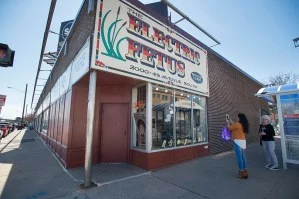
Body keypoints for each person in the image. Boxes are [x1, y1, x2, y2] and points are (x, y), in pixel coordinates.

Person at [227, 113, 249, 179]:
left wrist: (227, 122)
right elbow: (235, 126)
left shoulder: (237, 124)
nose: (237, 118)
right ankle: (245, 171)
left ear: (240, 118)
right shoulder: (243, 124)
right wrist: (231, 121)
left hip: (237, 142)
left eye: (238, 117)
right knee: (243, 157)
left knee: (239, 158)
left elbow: (229, 128)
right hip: (243, 142)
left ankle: (241, 173)